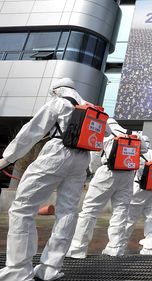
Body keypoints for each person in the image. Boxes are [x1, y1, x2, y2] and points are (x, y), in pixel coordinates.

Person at [0, 78, 91, 281]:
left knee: (22, 208)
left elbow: (31, 131)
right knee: (67, 211)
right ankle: (51, 268)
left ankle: (19, 270)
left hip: (57, 153)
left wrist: (7, 158)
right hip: (81, 160)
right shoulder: (90, 108)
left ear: (55, 90)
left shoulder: (59, 102)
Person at [66, 121, 148, 259]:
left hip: (107, 172)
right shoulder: (133, 134)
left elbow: (94, 159)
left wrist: (94, 171)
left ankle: (77, 249)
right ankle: (115, 248)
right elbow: (144, 150)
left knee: (90, 210)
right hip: (127, 175)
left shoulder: (104, 135)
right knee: (121, 212)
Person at [121, 147, 152, 255]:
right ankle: (150, 248)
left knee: (130, 219)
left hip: (138, 189)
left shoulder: (136, 152)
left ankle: (119, 246)